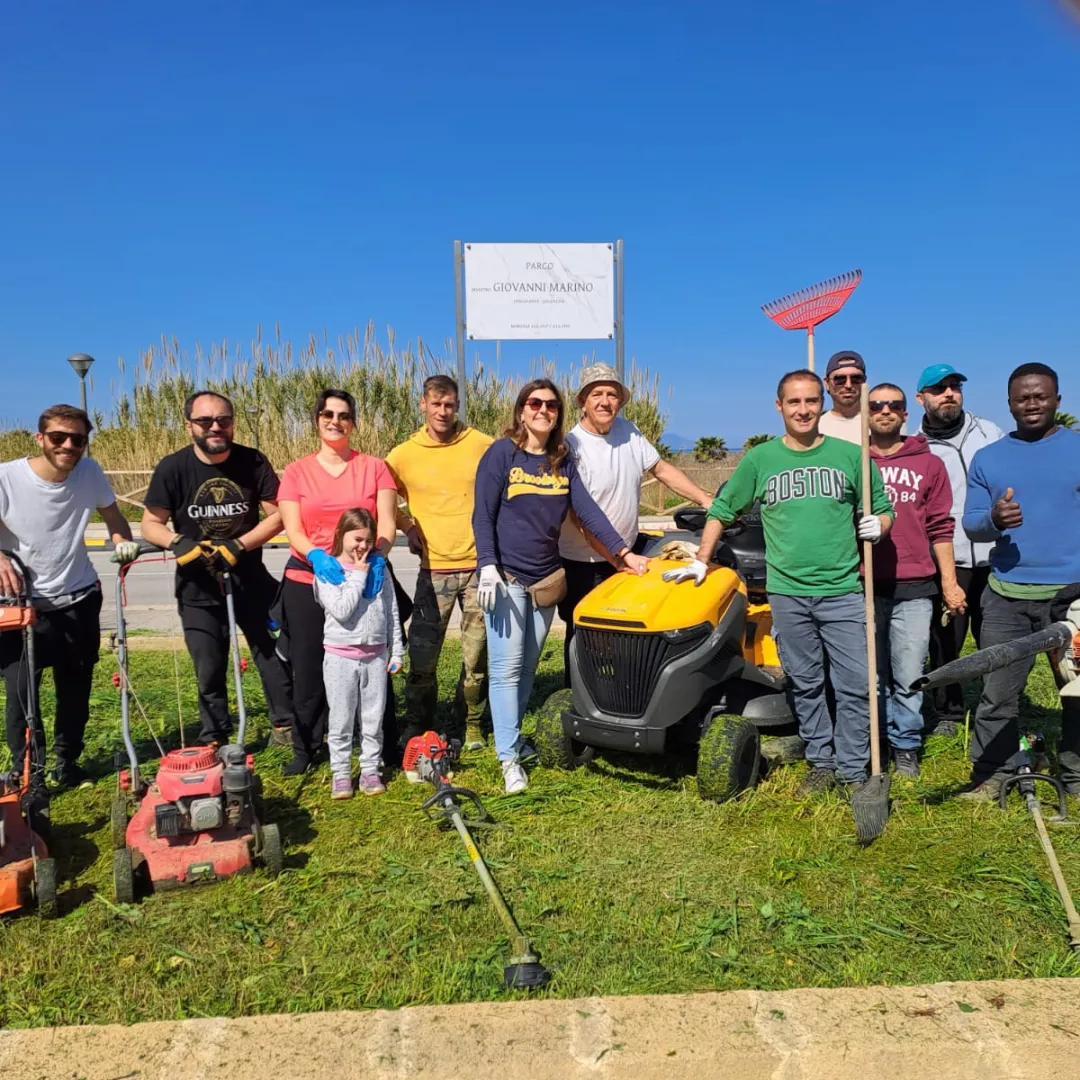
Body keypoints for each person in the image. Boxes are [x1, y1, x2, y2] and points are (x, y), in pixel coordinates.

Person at [665, 369, 894, 795]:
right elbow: (722, 509)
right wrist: (702, 558)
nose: (803, 410)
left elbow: (882, 508)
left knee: (854, 684)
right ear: (779, 407)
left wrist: (877, 525)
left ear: (822, 403)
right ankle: (821, 762)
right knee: (805, 682)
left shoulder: (851, 456)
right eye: (794, 402)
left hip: (843, 590)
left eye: (810, 401)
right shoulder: (760, 460)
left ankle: (853, 767)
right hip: (787, 593)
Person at [472, 379, 650, 794]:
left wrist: (624, 555)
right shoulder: (502, 453)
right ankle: (508, 758)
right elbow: (483, 514)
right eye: (535, 403)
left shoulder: (561, 458)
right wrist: (487, 566)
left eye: (551, 405)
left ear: (558, 414)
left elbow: (587, 510)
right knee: (505, 669)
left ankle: (514, 739)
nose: (543, 410)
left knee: (527, 669)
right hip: (506, 580)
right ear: (521, 410)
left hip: (546, 579)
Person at [142, 391, 295, 748]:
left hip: (250, 579)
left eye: (223, 420)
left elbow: (279, 515)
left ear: (232, 424)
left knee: (272, 653)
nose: (215, 427)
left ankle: (285, 725)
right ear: (189, 425)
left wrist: (241, 545)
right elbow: (150, 523)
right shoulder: (173, 467)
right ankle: (215, 736)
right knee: (209, 665)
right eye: (205, 421)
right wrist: (176, 542)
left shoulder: (253, 461)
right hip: (198, 586)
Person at [0, 404, 137, 788]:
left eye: (77, 439)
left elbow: (113, 517)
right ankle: (31, 772)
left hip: (77, 598)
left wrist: (122, 540)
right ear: (39, 438)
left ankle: (67, 761)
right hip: (20, 605)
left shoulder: (89, 472)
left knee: (75, 689)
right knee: (22, 695)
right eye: (58, 437)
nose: (68, 446)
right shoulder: (7, 478)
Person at [961, 362, 1080, 799]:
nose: (1031, 404)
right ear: (1009, 403)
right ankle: (992, 774)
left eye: (1040, 396)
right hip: (1007, 597)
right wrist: (994, 518)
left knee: (1078, 694)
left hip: (1072, 599)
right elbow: (972, 525)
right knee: (996, 693)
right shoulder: (989, 458)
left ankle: (1076, 775)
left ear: (1057, 401)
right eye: (1022, 397)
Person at [557, 364, 712, 683]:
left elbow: (663, 470)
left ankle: (625, 691)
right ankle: (579, 694)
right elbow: (580, 516)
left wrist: (704, 499)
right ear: (583, 402)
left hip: (626, 554)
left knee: (625, 629)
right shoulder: (570, 445)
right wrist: (618, 558)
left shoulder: (629, 432)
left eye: (612, 395)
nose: (604, 401)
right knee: (586, 633)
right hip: (585, 559)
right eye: (596, 394)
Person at [277, 389, 400, 775]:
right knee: (310, 664)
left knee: (373, 656)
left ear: (353, 422)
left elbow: (388, 522)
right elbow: (292, 528)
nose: (335, 421)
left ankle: (380, 744)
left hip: (365, 574)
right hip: (309, 576)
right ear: (316, 419)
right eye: (328, 414)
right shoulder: (297, 472)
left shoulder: (374, 467)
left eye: (344, 415)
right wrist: (315, 555)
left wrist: (377, 556)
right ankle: (308, 746)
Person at [386, 375, 493, 750]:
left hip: (480, 569)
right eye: (436, 404)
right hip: (433, 572)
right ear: (423, 404)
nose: (443, 412)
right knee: (422, 656)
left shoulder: (481, 445)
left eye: (449, 405)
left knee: (476, 654)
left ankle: (474, 722)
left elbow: (504, 487)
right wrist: (405, 525)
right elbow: (382, 494)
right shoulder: (403, 454)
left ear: (458, 405)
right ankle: (419, 724)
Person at [866, 383, 964, 778]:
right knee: (871, 673)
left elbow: (941, 527)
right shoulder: (853, 461)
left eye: (894, 405)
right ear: (867, 414)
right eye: (876, 405)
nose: (885, 410)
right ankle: (875, 741)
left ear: (907, 413)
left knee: (908, 671)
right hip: (863, 582)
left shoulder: (929, 463)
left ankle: (905, 742)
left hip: (915, 583)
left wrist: (949, 582)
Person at [916, 363, 1006, 733]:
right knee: (945, 640)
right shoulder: (916, 447)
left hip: (997, 556)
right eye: (939, 389)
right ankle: (949, 711)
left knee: (996, 638)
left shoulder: (989, 432)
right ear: (921, 399)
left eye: (954, 386)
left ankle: (996, 707)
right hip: (948, 558)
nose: (949, 393)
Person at [314, 508, 403, 799]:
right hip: (341, 655)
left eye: (368, 540)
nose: (363, 546)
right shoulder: (329, 572)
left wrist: (396, 651)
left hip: (376, 655)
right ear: (340, 535)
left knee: (373, 718)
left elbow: (391, 610)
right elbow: (341, 610)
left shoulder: (379, 569)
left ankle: (369, 769)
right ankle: (340, 773)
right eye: (357, 539)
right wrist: (357, 577)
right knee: (340, 719)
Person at [818, 350, 868, 445]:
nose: (848, 385)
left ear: (864, 381)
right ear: (827, 383)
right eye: (840, 379)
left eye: (856, 379)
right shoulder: (815, 428)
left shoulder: (878, 423)